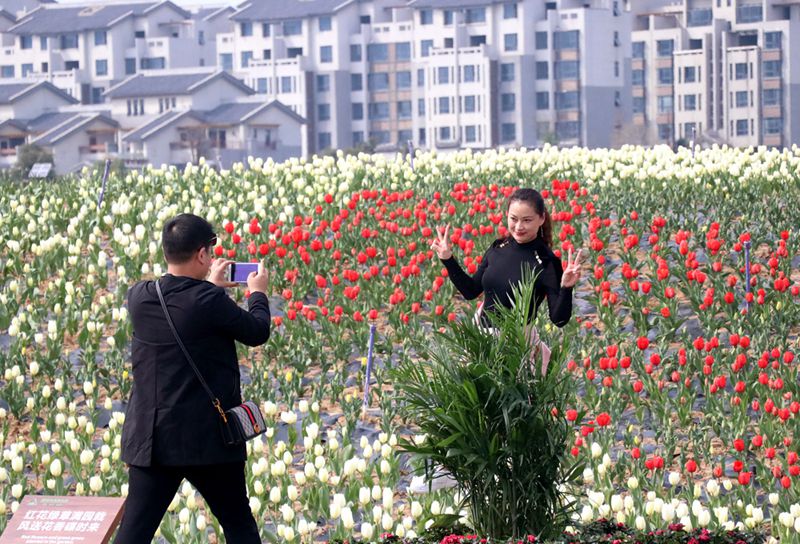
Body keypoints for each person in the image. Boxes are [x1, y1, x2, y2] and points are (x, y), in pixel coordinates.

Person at [115, 213, 270, 544]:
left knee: (133, 534)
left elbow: (185, 307)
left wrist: (208, 286)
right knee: (239, 525)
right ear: (202, 254)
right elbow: (257, 331)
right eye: (211, 252)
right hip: (208, 440)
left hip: (153, 440)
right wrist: (257, 293)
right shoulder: (208, 300)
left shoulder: (139, 296)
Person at [430, 187, 583, 372]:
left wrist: (566, 287)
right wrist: (448, 260)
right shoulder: (498, 248)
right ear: (507, 216)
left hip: (516, 350)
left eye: (527, 220)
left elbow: (558, 320)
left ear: (541, 219)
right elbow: (471, 291)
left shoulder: (546, 262)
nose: (519, 227)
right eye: (514, 219)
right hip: (481, 341)